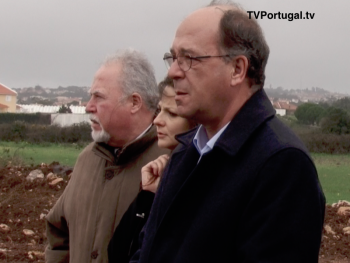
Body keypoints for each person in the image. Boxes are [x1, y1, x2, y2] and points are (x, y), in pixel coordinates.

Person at [131, 1, 325, 263]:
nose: (174, 72)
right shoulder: (186, 152)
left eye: (189, 58)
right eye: (173, 58)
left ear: (237, 69)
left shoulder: (282, 165)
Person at [45, 48, 168, 263]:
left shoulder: (169, 162)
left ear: (134, 103)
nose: (88, 106)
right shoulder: (87, 159)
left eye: (98, 97)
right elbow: (59, 234)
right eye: (90, 96)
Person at [108, 76, 196, 263]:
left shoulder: (197, 181)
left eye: (171, 113)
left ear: (198, 123)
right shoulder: (165, 170)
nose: (157, 120)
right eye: (159, 110)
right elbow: (118, 251)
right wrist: (148, 195)